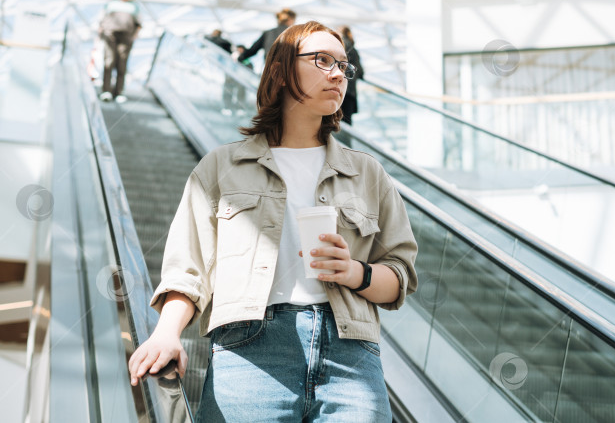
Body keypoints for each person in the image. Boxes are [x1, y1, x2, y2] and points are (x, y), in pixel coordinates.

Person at [128, 21, 418, 422]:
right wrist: (166, 333)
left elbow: (399, 277)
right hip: (250, 351)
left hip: (352, 359)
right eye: (323, 60)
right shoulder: (222, 167)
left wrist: (355, 272)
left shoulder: (368, 174)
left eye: (344, 66)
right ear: (280, 71)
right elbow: (188, 268)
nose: (338, 74)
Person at [98, 0, 141, 103]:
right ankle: (106, 90)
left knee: (122, 64)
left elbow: (138, 24)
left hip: (126, 37)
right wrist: (101, 34)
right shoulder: (111, 4)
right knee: (109, 61)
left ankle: (119, 92)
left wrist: (134, 36)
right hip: (110, 34)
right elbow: (102, 20)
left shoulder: (134, 6)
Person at [338, 26, 365, 125]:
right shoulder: (353, 49)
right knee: (346, 120)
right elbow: (360, 72)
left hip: (339, 88)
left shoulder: (339, 45)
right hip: (350, 92)